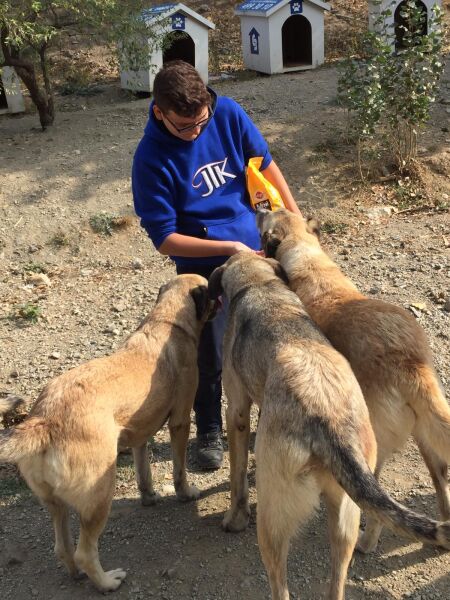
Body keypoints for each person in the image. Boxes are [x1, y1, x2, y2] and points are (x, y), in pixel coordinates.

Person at [132, 60, 302, 470]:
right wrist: (227, 249)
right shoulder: (150, 159)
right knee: (209, 351)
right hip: (206, 262)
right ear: (160, 113)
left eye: (201, 123)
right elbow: (164, 240)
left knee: (279, 334)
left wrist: (296, 224)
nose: (196, 133)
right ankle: (208, 426)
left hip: (258, 246)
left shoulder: (226, 113)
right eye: (185, 127)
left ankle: (281, 418)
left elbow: (264, 164)